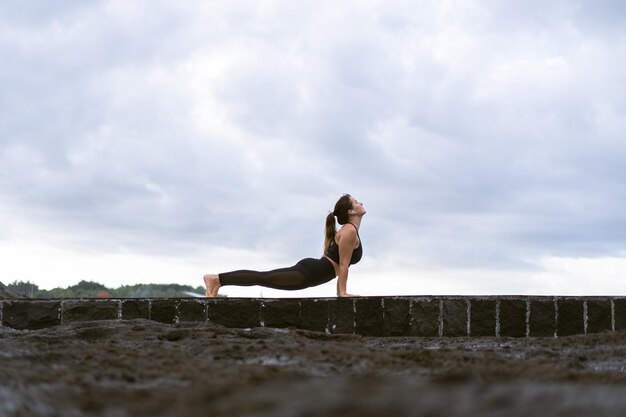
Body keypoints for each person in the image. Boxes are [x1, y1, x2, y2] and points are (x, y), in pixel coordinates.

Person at [203, 194, 366, 298]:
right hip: (308, 273)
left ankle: (218, 282)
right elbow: (344, 265)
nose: (361, 202)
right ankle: (216, 279)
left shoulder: (350, 231)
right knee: (263, 278)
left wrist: (341, 292)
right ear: (351, 212)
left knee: (264, 278)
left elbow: (342, 264)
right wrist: (342, 293)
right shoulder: (349, 231)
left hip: (311, 272)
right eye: (357, 202)